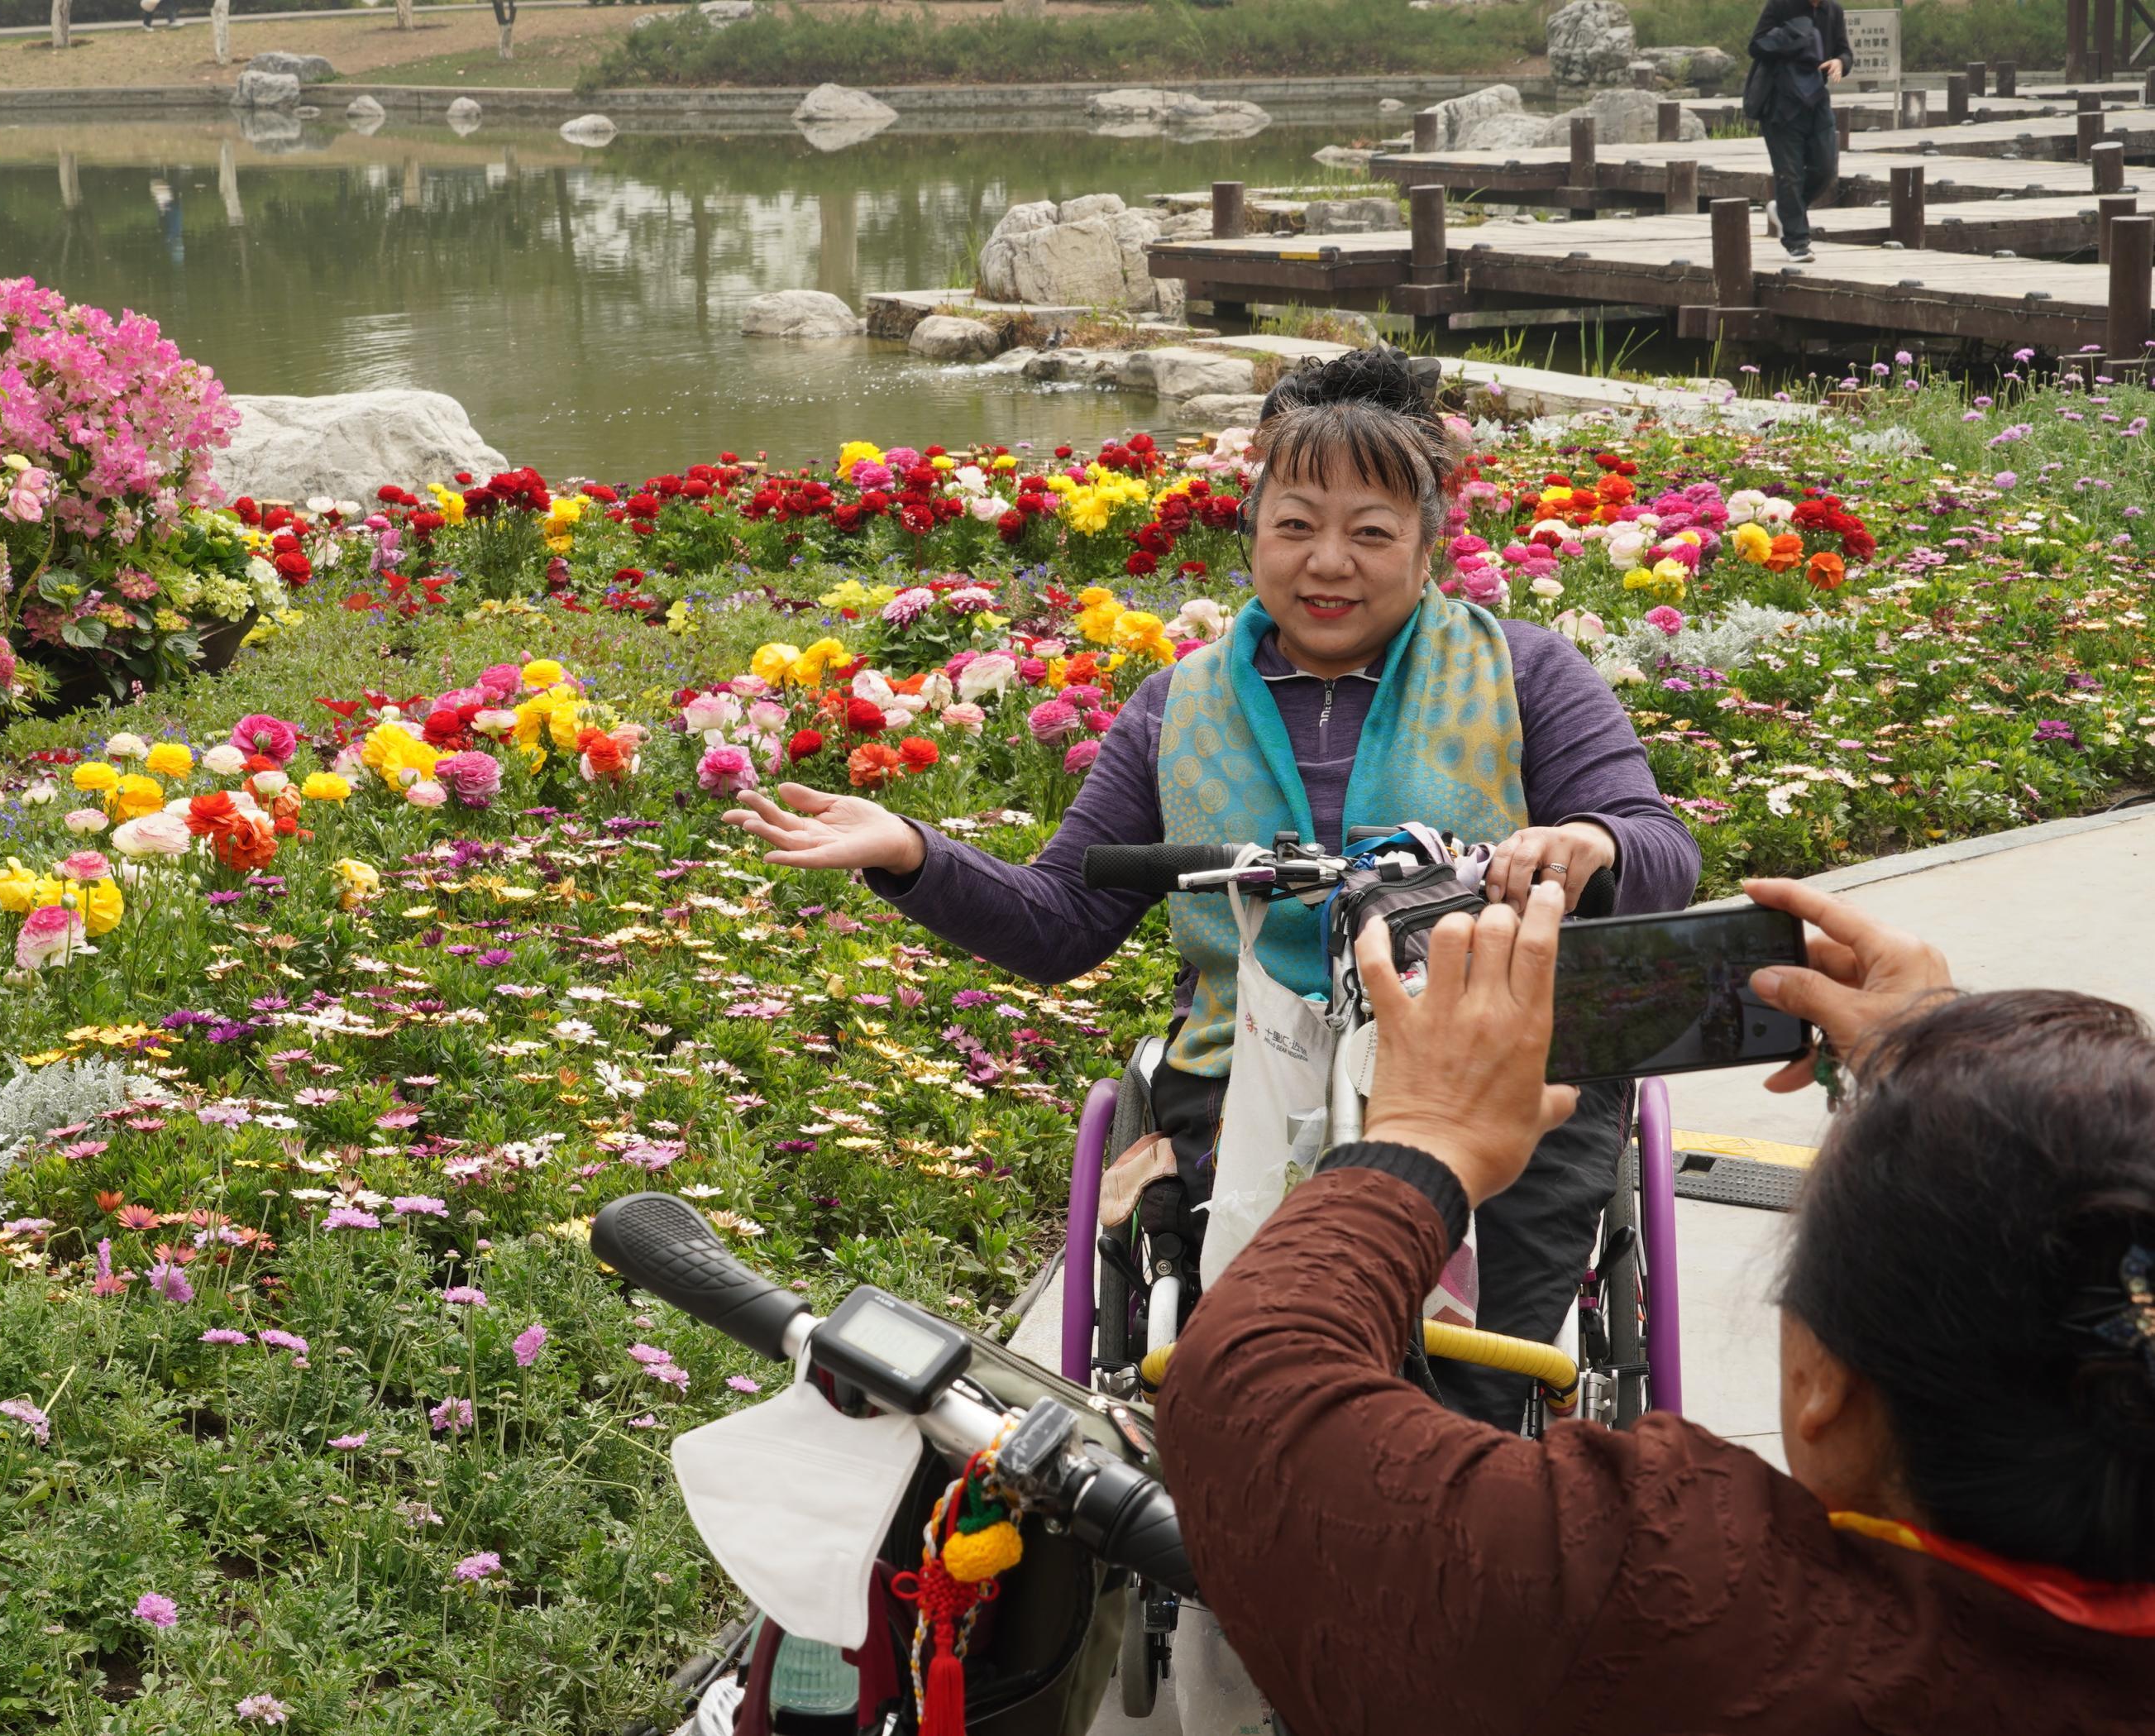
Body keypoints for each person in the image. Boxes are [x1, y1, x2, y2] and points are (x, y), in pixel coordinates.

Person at [724, 347, 1699, 1430]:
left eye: (1370, 531)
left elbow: (1662, 850)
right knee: (1262, 1378)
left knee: (1466, 1389)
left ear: (1428, 545)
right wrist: (909, 848)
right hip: (1245, 1076)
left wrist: (1587, 843)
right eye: (1296, 524)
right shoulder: (1171, 708)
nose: (1328, 561)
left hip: (1496, 1066)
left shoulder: (1526, 674)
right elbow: (1060, 922)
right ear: (1252, 537)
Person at [1157, 876, 2155, 1730]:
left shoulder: (1669, 1606)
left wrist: (1422, 1138)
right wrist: (1955, 1080)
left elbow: (1249, 1394)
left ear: (1827, 1390)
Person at [1745, 0, 1852, 264]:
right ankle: (1797, 242)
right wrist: (1793, 36)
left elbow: (1845, 51)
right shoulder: (1781, 5)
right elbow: (1756, 45)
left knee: (1826, 168)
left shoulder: (1833, 11)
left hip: (1816, 99)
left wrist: (1840, 62)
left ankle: (1785, 211)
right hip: (1780, 102)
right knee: (1789, 173)